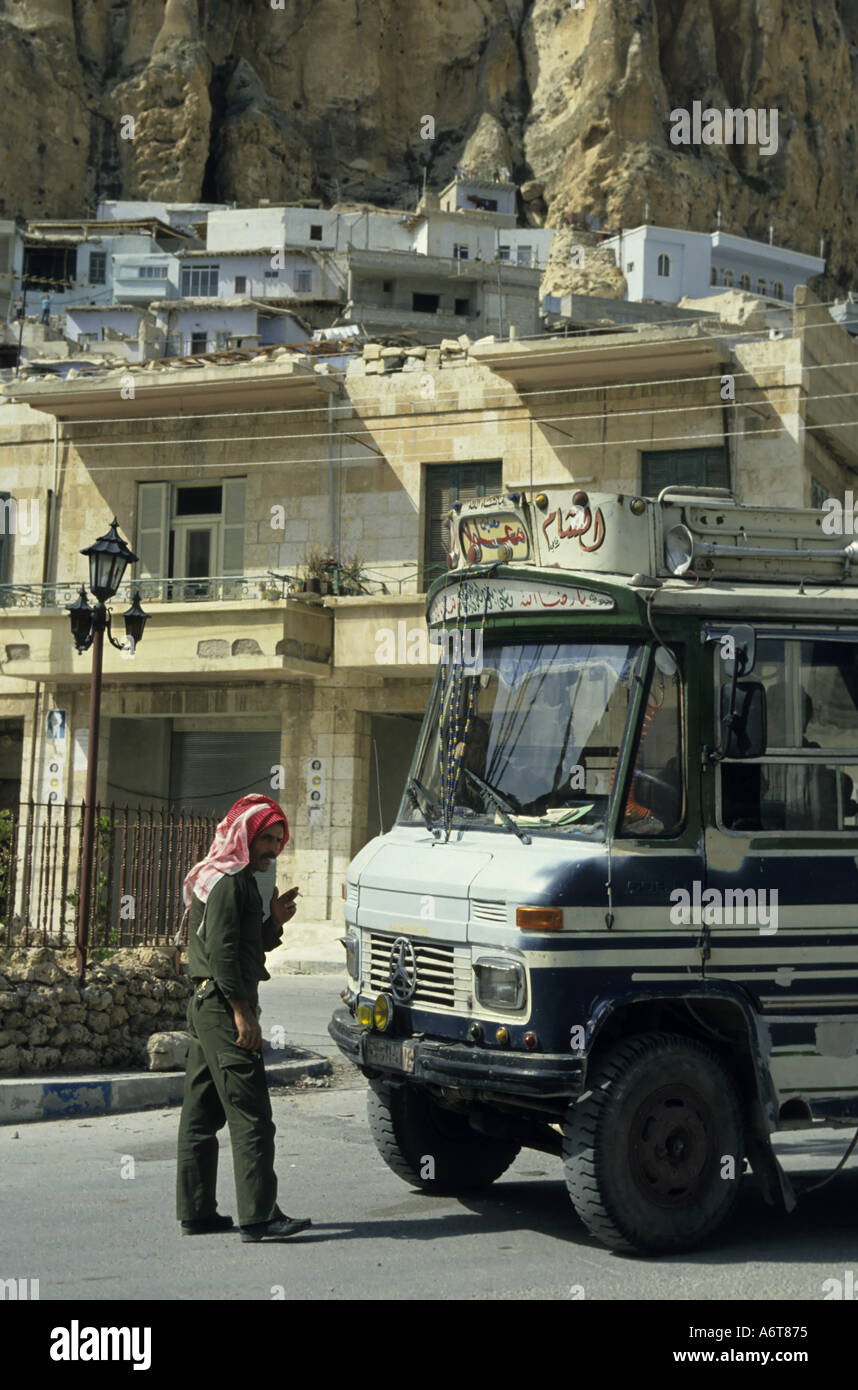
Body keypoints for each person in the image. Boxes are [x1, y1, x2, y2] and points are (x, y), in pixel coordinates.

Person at [176, 792, 310, 1241]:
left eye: (277, 840)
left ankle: (197, 1212)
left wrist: (273, 922)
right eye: (266, 839)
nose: (273, 849)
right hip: (222, 1006)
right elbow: (225, 954)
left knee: (201, 1113)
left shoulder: (232, 881)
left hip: (205, 1004)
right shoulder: (230, 883)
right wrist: (242, 1013)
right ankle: (259, 1216)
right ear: (245, 838)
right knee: (251, 1113)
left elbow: (246, 943)